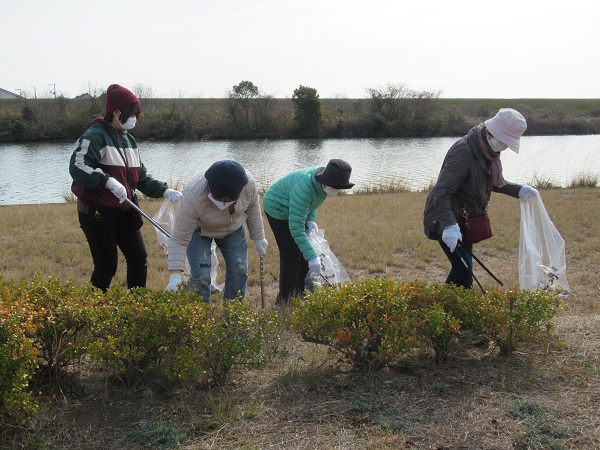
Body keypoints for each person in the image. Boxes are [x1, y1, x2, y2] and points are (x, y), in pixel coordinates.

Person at [69, 84, 182, 291]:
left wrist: (165, 191)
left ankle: (136, 308)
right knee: (106, 265)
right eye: (132, 114)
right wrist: (107, 181)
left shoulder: (130, 141)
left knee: (139, 259)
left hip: (124, 212)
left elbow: (140, 177)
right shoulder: (94, 136)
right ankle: (90, 312)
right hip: (96, 212)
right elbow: (78, 167)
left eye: (137, 115)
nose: (135, 119)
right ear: (117, 112)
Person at [423, 108, 539, 289]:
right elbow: (441, 191)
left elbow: (490, 182)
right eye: (504, 141)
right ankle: (445, 312)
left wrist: (518, 190)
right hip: (445, 218)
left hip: (465, 221)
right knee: (464, 273)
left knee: (462, 269)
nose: (505, 147)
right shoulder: (465, 152)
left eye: (508, 143)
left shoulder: (488, 153)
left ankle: (444, 309)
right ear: (489, 132)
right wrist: (449, 226)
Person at [165, 160, 268, 302]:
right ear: (209, 188)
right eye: (218, 198)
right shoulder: (193, 196)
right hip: (200, 230)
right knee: (201, 275)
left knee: (240, 270)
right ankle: (201, 316)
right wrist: (175, 275)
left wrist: (258, 237)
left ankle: (233, 315)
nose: (224, 203)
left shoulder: (248, 185)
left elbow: (253, 209)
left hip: (234, 228)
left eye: (231, 198)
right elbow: (179, 239)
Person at [262, 159, 354, 305]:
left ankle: (299, 291)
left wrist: (311, 220)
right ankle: (284, 301)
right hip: (277, 207)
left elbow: (312, 204)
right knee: (291, 254)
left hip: (294, 207)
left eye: (339, 188)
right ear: (325, 181)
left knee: (304, 253)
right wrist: (312, 256)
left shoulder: (324, 182)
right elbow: (296, 227)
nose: (336, 190)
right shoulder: (304, 187)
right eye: (334, 187)